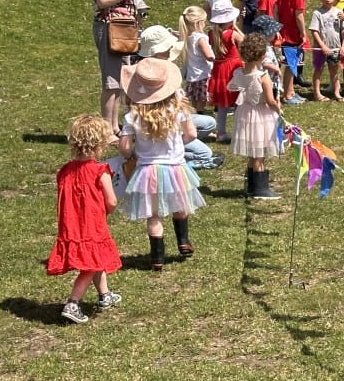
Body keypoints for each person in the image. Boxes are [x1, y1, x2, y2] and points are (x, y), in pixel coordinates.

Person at [118, 58, 207, 270]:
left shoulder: (133, 116)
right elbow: (192, 134)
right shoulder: (178, 111)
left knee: (154, 215)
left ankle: (157, 256)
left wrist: (132, 152)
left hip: (147, 170)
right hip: (176, 167)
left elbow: (124, 147)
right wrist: (180, 145)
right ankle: (183, 241)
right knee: (180, 205)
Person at [47, 114, 123, 324]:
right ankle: (73, 302)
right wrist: (107, 210)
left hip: (71, 226)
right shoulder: (100, 171)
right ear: (100, 145)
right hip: (92, 224)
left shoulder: (65, 171)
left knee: (94, 257)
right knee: (91, 264)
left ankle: (105, 295)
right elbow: (112, 200)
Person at [90, 0, 151, 138]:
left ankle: (114, 127)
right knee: (111, 80)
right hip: (110, 27)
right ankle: (107, 130)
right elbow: (103, 0)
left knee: (119, 78)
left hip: (121, 28)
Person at [140, 25, 223, 170]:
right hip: (163, 119)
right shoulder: (145, 73)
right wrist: (175, 101)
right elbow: (147, 101)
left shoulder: (167, 66)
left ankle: (173, 147)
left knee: (209, 122)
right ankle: (177, 156)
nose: (170, 49)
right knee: (205, 153)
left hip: (174, 115)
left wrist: (179, 97)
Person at [228, 33, 284, 200]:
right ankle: (261, 189)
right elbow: (270, 100)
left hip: (245, 113)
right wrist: (278, 108)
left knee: (253, 153)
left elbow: (236, 87)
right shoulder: (263, 76)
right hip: (261, 114)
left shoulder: (239, 72)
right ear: (261, 56)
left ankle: (251, 185)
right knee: (259, 153)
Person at [207, 0, 244, 141]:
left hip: (219, 68)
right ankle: (238, 131)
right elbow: (245, 41)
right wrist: (237, 28)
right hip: (233, 68)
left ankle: (220, 132)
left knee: (222, 103)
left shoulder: (212, 34)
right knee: (237, 101)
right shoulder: (231, 34)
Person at [277, 0, 310, 104]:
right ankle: (287, 95)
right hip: (292, 34)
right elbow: (299, 15)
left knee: (292, 65)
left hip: (283, 30)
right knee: (291, 65)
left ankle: (290, 91)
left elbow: (276, 9)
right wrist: (303, 33)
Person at [308, 0, 344, 101]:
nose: (328, 0)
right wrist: (322, 46)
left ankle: (336, 92)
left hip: (335, 47)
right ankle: (317, 94)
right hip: (320, 48)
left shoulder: (339, 12)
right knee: (318, 69)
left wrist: (343, 46)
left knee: (334, 70)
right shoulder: (317, 13)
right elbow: (314, 31)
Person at [177, 6, 215, 114]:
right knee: (201, 100)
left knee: (194, 99)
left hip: (192, 74)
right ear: (198, 23)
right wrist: (216, 57)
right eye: (204, 21)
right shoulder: (200, 38)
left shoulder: (187, 36)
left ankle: (195, 116)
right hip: (202, 74)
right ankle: (200, 117)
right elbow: (208, 56)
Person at [249, 15, 284, 100]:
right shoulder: (263, 47)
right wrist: (276, 69)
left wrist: (278, 59)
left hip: (271, 77)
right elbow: (265, 63)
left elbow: (270, 59)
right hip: (268, 78)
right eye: (273, 32)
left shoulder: (267, 45)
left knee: (274, 96)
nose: (275, 34)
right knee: (270, 97)